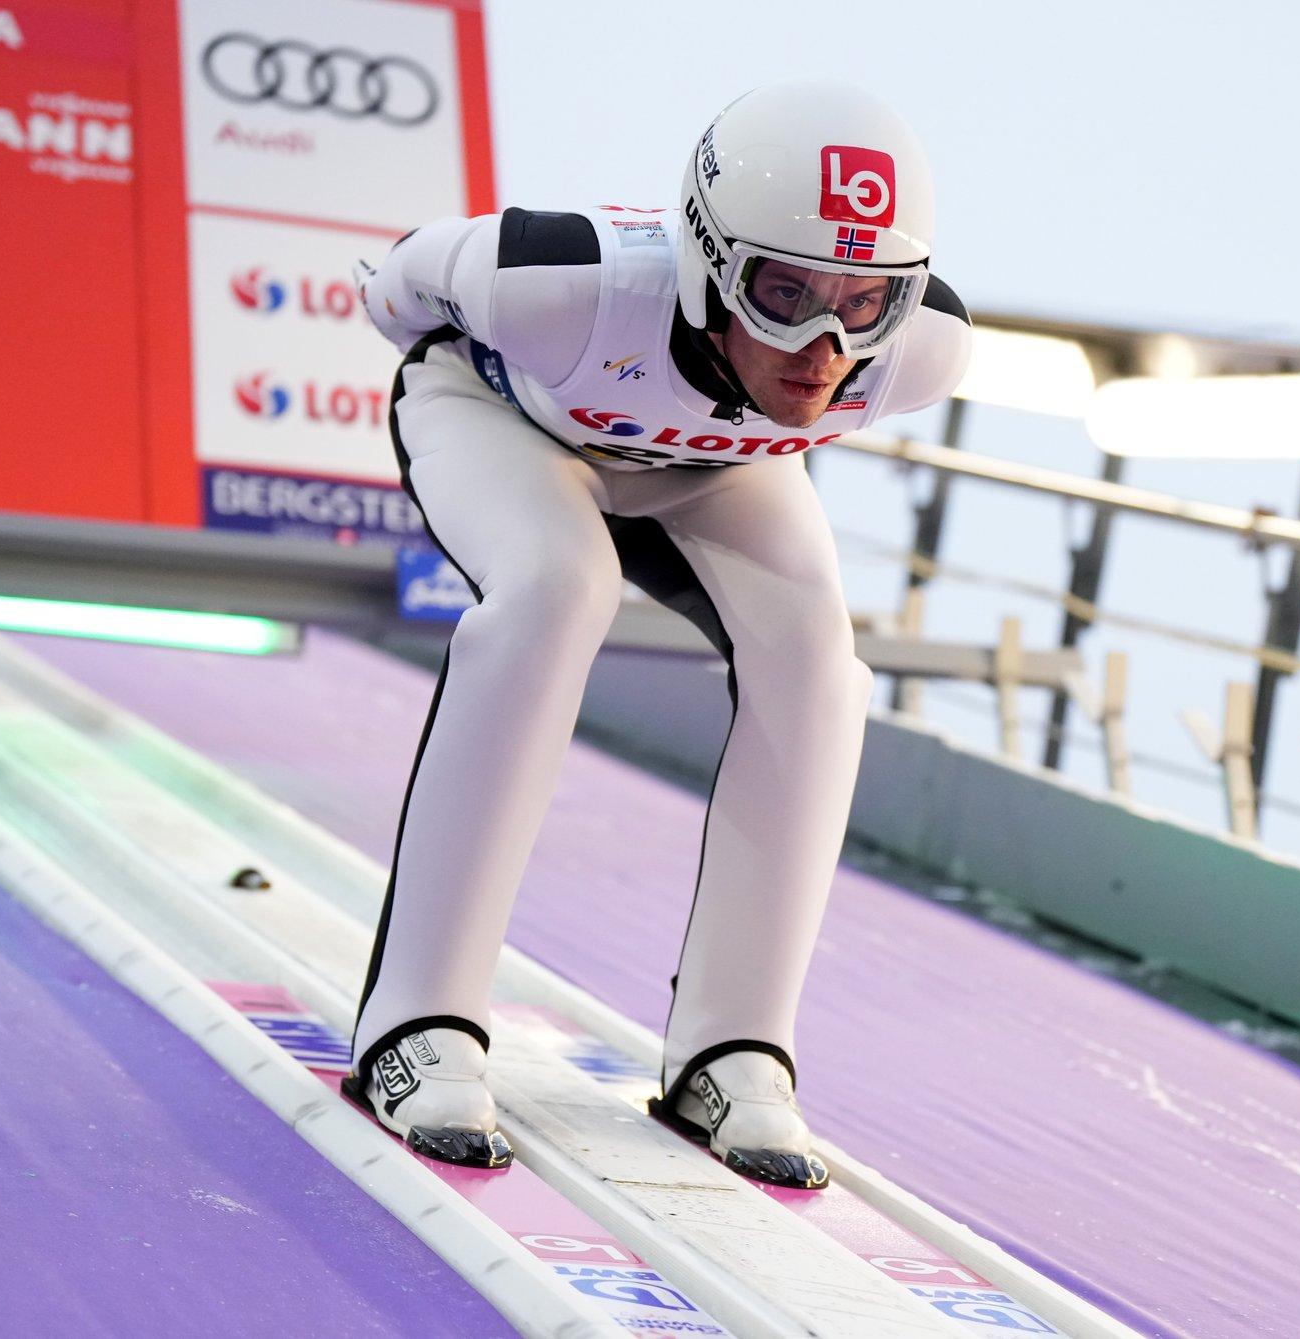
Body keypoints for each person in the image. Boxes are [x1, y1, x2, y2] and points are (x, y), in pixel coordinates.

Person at [345, 80, 971, 1187]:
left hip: (713, 468)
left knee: (818, 660)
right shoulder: (552, 283)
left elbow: (818, 357)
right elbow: (395, 289)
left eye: (863, 302)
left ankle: (735, 1049)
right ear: (704, 264)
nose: (823, 346)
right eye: (784, 292)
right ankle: (416, 1019)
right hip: (499, 417)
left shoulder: (918, 356)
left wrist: (717, 385)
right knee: (555, 587)